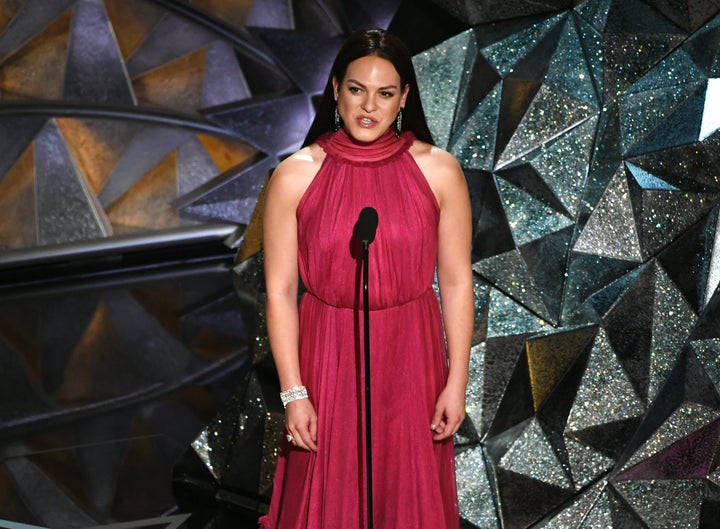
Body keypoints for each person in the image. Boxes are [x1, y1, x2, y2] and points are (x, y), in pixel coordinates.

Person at [260, 28, 474, 529]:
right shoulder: (296, 175)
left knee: (404, 496)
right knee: (326, 496)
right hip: (325, 352)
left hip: (411, 355)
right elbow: (280, 290)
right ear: (336, 89)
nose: (368, 107)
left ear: (404, 98)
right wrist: (294, 393)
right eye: (357, 89)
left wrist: (456, 382)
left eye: (384, 93)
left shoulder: (439, 171)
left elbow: (458, 282)